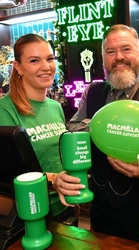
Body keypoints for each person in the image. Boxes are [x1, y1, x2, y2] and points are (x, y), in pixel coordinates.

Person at [53, 24, 139, 241]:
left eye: (126, 49)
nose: (119, 57)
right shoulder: (92, 92)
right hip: (100, 206)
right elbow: (73, 128)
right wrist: (101, 127)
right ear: (104, 58)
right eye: (111, 52)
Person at [0, 34, 77, 224]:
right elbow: (9, 174)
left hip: (64, 207)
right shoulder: (5, 111)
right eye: (34, 60)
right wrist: (53, 180)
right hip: (30, 214)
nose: (46, 67)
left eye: (50, 59)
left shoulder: (55, 107)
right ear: (18, 67)